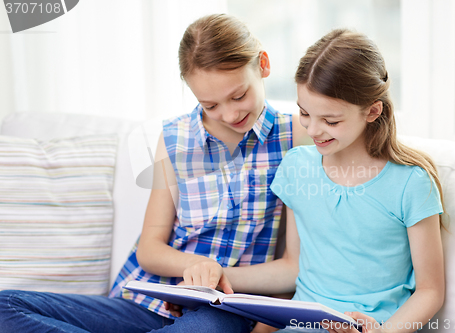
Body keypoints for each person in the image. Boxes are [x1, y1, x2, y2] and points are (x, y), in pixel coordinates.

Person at [0, 13, 309, 333]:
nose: (229, 114)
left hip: (221, 310)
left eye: (238, 96)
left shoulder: (295, 136)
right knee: (4, 306)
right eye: (210, 105)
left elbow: (292, 267)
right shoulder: (176, 136)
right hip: (146, 303)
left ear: (263, 65)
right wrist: (196, 266)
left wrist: (217, 278)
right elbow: (150, 248)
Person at [220, 29, 445, 333]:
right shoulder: (297, 167)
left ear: (372, 111)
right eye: (304, 113)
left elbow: (431, 291)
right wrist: (217, 277)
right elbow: (292, 267)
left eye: (331, 120)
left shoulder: (411, 183)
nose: (313, 130)